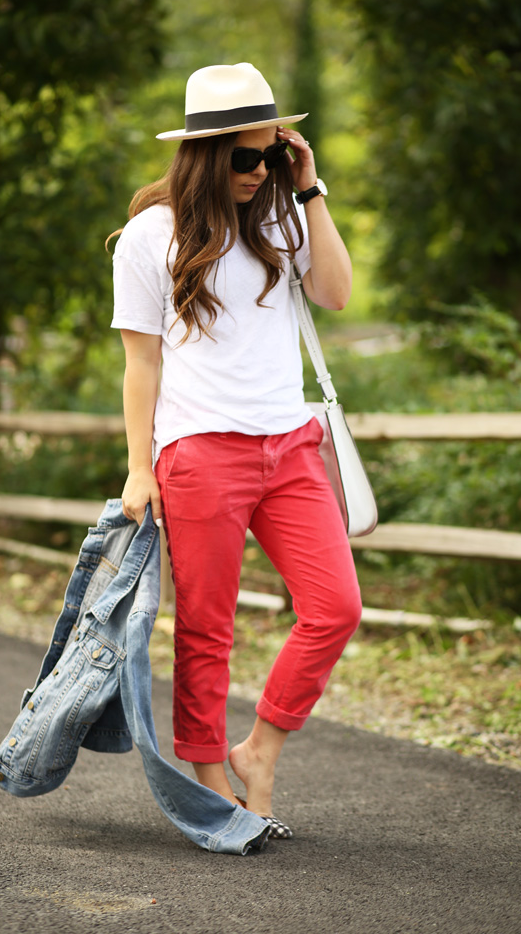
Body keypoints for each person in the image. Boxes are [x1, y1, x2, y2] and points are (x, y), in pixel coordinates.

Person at [110, 62, 362, 838]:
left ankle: (261, 752)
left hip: (290, 447)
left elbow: (337, 293)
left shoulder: (283, 218)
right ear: (206, 154)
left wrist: (310, 187)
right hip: (199, 453)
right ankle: (212, 788)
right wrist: (137, 468)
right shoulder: (153, 234)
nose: (259, 173)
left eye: (270, 156)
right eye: (245, 158)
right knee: (206, 626)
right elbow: (141, 363)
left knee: (335, 607)